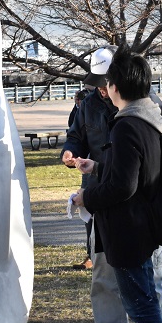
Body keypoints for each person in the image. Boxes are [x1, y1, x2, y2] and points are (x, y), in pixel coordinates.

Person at [62, 45, 162, 323]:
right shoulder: (91, 106)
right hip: (109, 209)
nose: (103, 88)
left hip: (134, 216)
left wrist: (86, 196)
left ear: (118, 82)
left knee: (146, 298)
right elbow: (79, 139)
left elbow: (125, 182)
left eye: (107, 81)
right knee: (111, 282)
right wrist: (82, 159)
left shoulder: (133, 120)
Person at [68, 88, 92, 270]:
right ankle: (92, 254)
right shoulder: (82, 109)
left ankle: (99, 255)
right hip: (88, 168)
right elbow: (74, 132)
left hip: (101, 165)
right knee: (87, 209)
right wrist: (78, 107)